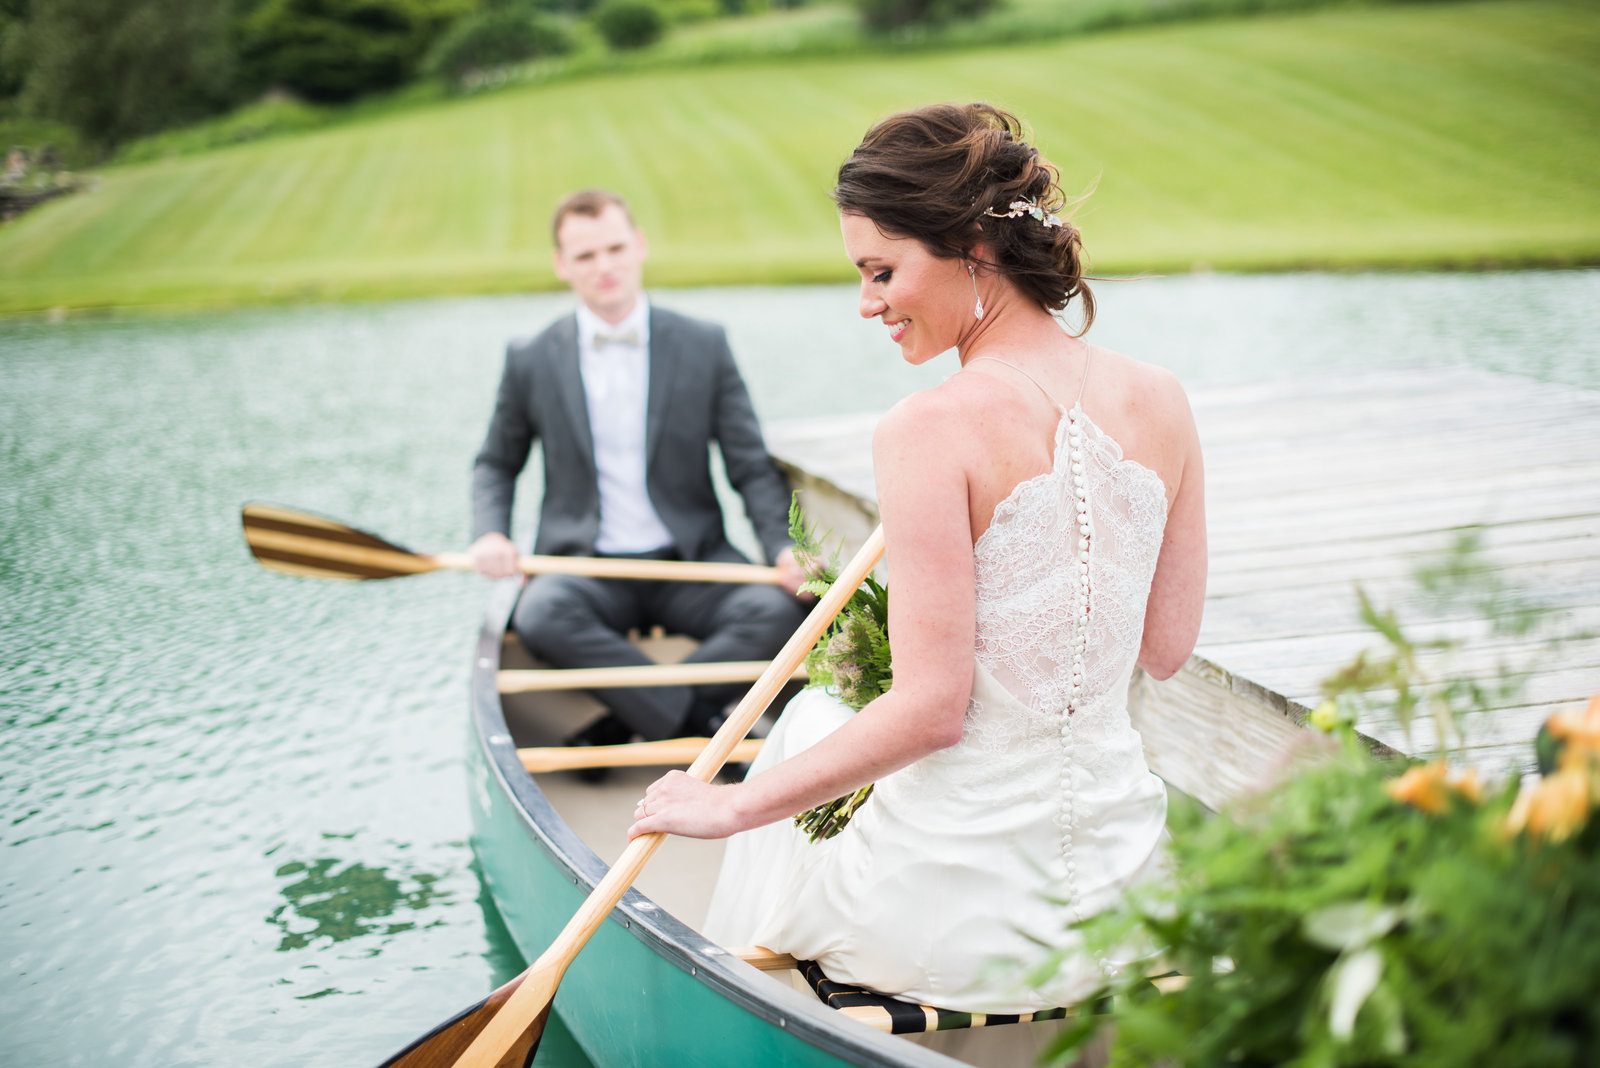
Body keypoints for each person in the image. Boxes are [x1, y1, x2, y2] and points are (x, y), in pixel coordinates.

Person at [626, 103, 1207, 1027]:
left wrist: (729, 807)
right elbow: (1167, 648)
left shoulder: (928, 430)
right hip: (1124, 897)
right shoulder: (1164, 401)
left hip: (968, 927)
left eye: (881, 271)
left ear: (975, 245)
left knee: (811, 719)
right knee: (833, 722)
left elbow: (934, 713)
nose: (867, 303)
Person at [470, 188, 809, 756]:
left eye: (614, 248)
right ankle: (703, 733)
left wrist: (780, 547)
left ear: (639, 246)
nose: (603, 267)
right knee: (542, 614)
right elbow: (496, 464)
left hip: (691, 564)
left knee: (778, 612)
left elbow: (749, 466)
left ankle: (625, 724)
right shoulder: (530, 357)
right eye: (584, 256)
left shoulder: (703, 344)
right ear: (561, 265)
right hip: (583, 566)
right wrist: (490, 533)